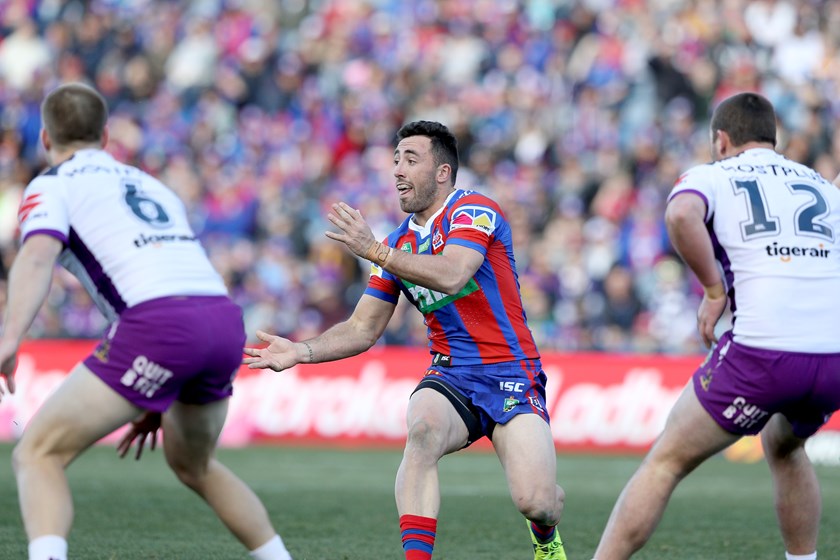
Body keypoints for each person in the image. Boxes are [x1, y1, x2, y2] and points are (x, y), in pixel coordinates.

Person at [244, 120, 567, 560]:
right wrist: (301, 351)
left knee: (538, 501)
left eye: (410, 159)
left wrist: (376, 252)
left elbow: (453, 274)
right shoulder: (399, 243)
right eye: (395, 159)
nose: (397, 170)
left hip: (510, 371)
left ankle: (545, 535)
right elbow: (362, 328)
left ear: (442, 172)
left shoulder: (474, 210)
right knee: (421, 432)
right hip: (451, 374)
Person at [0, 82, 293, 560]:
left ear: (46, 140)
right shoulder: (149, 183)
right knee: (195, 465)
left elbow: (35, 259)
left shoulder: (50, 185)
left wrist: (9, 337)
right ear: (107, 134)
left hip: (159, 325)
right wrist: (158, 395)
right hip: (221, 321)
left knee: (38, 453)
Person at [593, 92, 840, 560]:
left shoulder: (714, 173)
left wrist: (712, 290)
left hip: (764, 353)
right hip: (832, 360)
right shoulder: (821, 186)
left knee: (666, 460)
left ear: (721, 140)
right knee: (785, 445)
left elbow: (681, 213)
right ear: (773, 139)